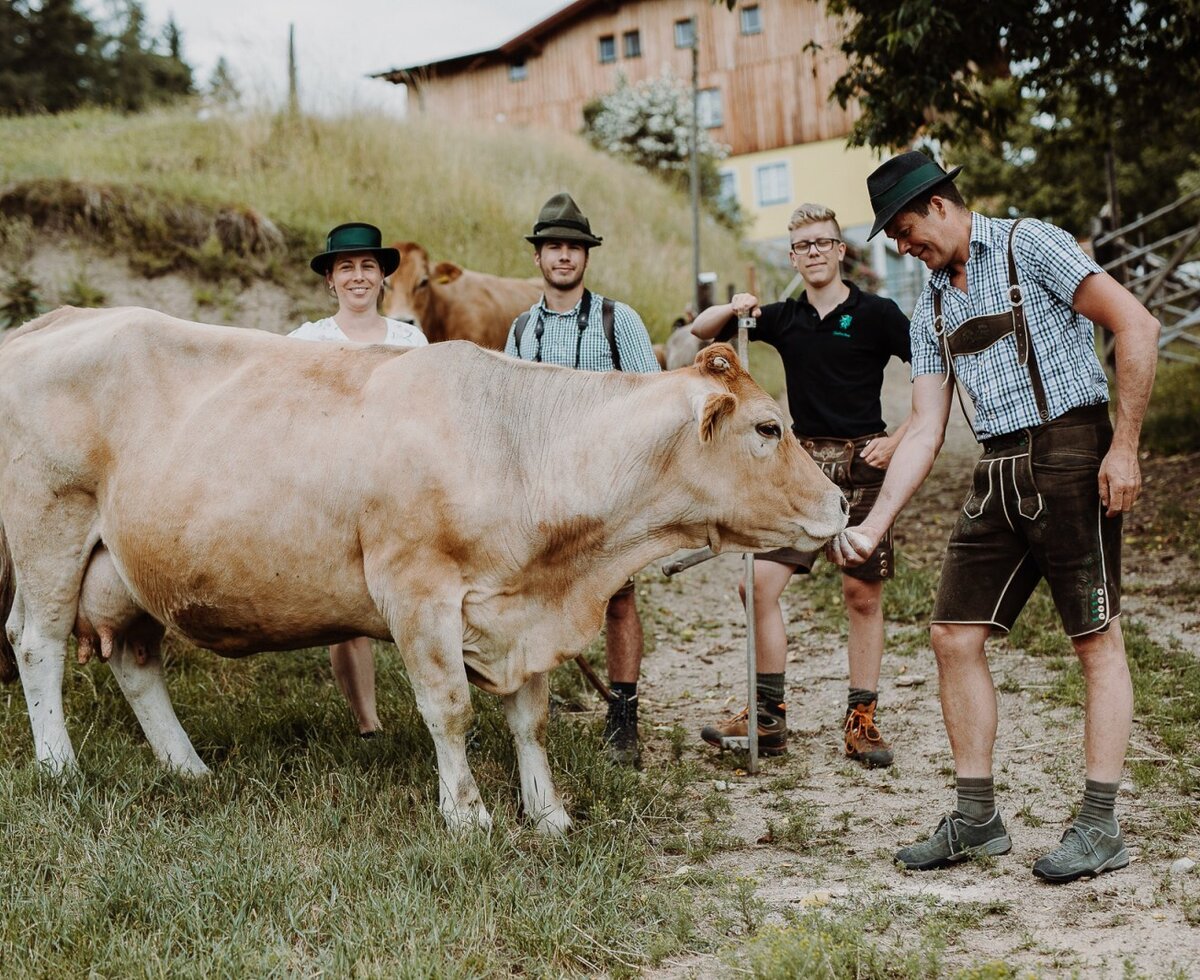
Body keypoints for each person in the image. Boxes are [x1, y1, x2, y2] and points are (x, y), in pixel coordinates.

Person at [829, 151, 1159, 882]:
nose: (905, 247)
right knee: (952, 634)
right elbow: (922, 428)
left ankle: (1100, 825)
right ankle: (977, 819)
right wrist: (873, 526)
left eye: (909, 231)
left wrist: (1126, 448)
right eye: (896, 241)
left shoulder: (1028, 242)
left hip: (1074, 453)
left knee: (1095, 641)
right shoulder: (933, 305)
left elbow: (1136, 326)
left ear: (941, 206)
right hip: (999, 470)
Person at [690, 203, 911, 765]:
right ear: (792, 256)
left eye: (823, 242)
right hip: (801, 469)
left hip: (863, 462)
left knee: (860, 596)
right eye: (802, 245)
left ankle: (862, 718)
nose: (813, 252)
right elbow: (701, 331)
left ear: (842, 250)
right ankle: (768, 717)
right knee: (756, 586)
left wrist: (904, 437)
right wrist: (734, 307)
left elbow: (937, 370)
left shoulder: (877, 313)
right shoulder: (784, 317)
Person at [504, 192, 661, 766]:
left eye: (572, 247)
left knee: (618, 598)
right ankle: (533, 713)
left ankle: (623, 714)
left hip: (606, 489)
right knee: (535, 598)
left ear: (586, 257)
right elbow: (508, 417)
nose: (562, 257)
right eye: (553, 247)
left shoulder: (620, 321)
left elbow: (655, 405)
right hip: (541, 490)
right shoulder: (521, 331)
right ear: (538, 257)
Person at [289, 221, 428, 736]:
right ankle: (368, 723)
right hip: (330, 488)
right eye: (346, 267)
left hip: (398, 488)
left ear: (383, 277)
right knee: (347, 607)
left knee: (418, 598)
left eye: (368, 266)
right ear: (329, 279)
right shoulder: (306, 342)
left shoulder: (410, 341)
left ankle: (436, 711)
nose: (357, 277)